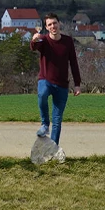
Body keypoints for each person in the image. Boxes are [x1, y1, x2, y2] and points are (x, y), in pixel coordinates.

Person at [30, 13, 81, 145]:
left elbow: (73, 63)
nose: (53, 26)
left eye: (55, 23)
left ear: (59, 24)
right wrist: (34, 40)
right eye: (50, 24)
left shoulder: (68, 41)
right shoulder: (44, 40)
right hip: (45, 79)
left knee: (57, 120)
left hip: (62, 84)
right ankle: (45, 124)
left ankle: (53, 148)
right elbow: (34, 47)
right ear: (46, 27)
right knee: (42, 95)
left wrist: (77, 84)